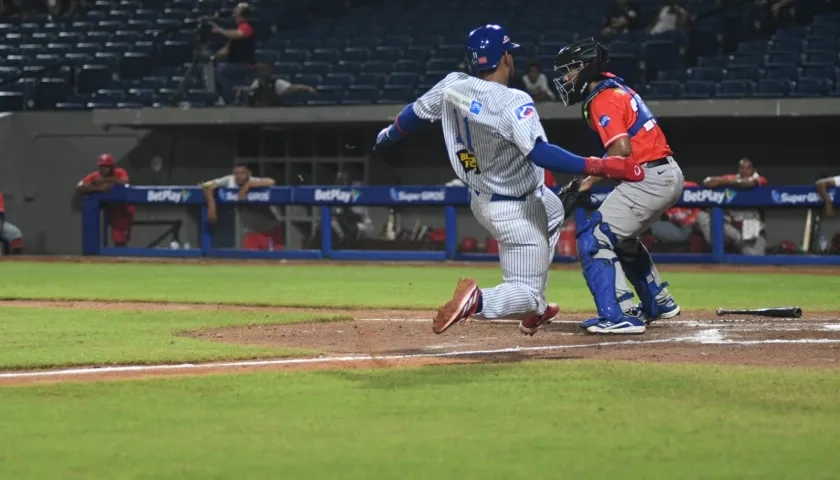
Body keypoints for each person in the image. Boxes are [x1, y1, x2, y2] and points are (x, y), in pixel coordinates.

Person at [374, 24, 644, 336]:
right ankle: (480, 300)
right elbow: (540, 154)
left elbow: (414, 114)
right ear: (505, 58)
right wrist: (600, 166)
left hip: (484, 197)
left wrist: (386, 136)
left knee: (554, 210)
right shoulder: (512, 100)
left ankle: (538, 309)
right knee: (524, 294)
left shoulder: (453, 85)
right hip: (516, 209)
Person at [554, 37, 683, 335]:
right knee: (621, 239)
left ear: (586, 68)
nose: (565, 78)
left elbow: (620, 150)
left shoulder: (602, 98)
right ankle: (658, 301)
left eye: (569, 70)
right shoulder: (614, 87)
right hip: (663, 173)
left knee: (593, 239)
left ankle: (618, 314)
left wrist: (585, 182)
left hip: (648, 178)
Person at [696, 158, 767, 255]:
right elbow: (707, 181)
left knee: (754, 260)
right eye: (742, 168)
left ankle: (740, 248)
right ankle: (721, 245)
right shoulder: (733, 178)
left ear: (753, 170)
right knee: (702, 216)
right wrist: (726, 182)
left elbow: (749, 184)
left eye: (748, 168)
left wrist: (725, 183)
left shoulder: (759, 179)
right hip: (734, 230)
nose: (744, 171)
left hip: (751, 232)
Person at [76, 154, 135, 247]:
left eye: (106, 166)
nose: (103, 169)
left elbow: (125, 181)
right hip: (108, 207)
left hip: (122, 208)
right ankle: (91, 251)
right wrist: (98, 188)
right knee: (90, 206)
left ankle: (121, 253)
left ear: (112, 167)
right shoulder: (95, 175)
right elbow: (80, 186)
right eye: (101, 166)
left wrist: (107, 180)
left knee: (120, 239)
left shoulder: (119, 172)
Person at [210, 2, 256, 104]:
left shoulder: (245, 26)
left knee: (220, 70)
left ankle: (227, 99)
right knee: (214, 69)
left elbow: (239, 35)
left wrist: (220, 30)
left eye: (237, 10)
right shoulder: (237, 30)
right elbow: (226, 50)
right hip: (235, 64)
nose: (234, 12)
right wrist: (212, 56)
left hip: (245, 64)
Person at [238, 63, 317, 106]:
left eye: (264, 69)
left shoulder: (277, 83)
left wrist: (307, 88)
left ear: (270, 70)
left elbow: (291, 88)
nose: (262, 71)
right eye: (260, 69)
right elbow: (252, 93)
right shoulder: (255, 83)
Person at [649, 180, 700, 245]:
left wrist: (691, 218)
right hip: (671, 227)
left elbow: (698, 208)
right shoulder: (660, 190)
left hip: (688, 225)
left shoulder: (691, 187)